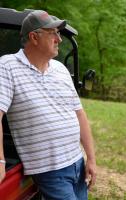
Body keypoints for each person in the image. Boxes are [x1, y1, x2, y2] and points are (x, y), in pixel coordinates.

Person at [0, 10, 96, 200]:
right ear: (34, 37)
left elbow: (80, 115)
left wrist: (91, 158)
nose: (59, 39)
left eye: (59, 34)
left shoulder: (60, 69)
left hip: (77, 161)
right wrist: (0, 160)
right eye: (53, 33)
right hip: (51, 171)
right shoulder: (6, 66)